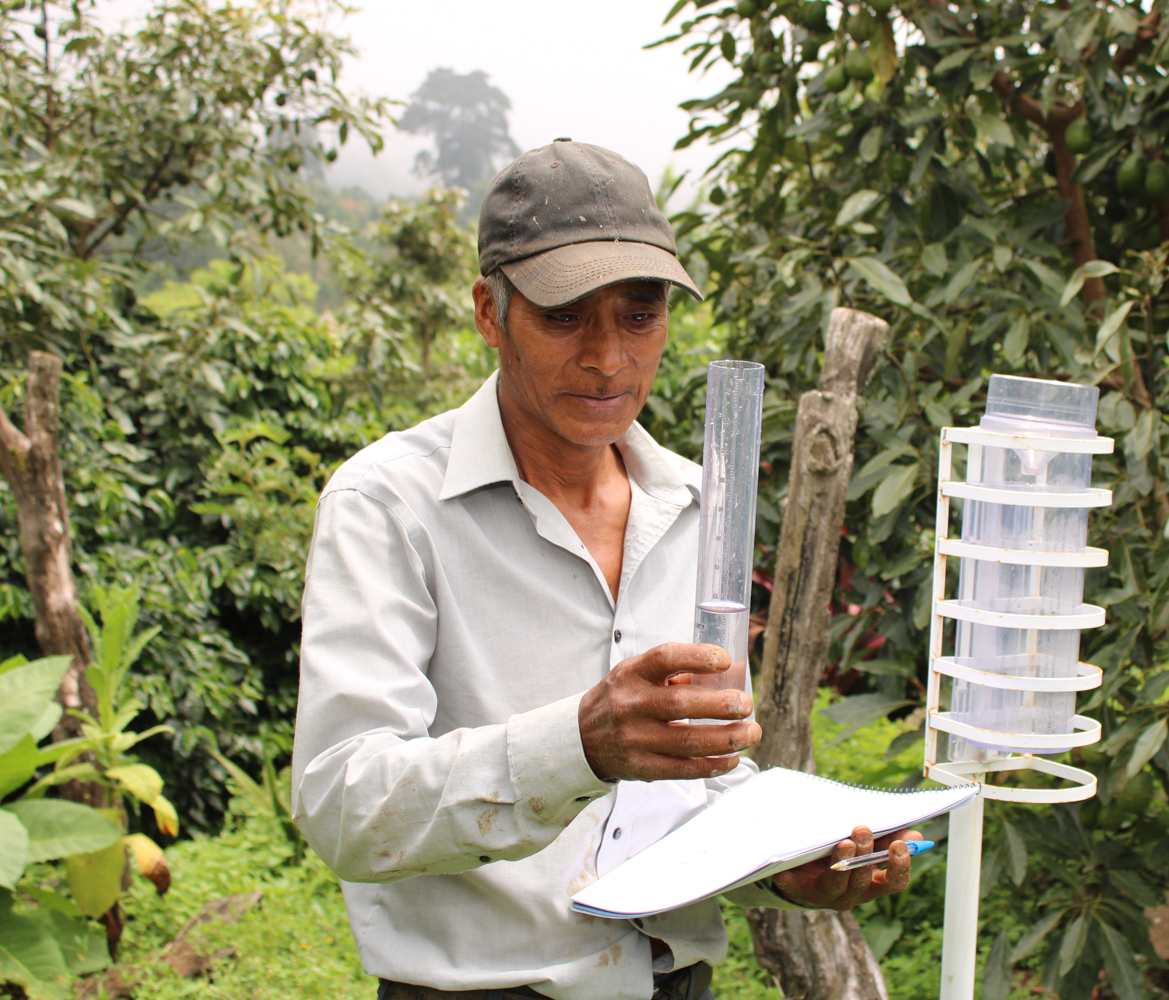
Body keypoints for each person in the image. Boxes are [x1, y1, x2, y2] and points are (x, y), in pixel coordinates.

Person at [291, 139, 919, 1000]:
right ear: (488, 311)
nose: (609, 358)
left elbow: (697, 776)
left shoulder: (699, 507)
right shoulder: (390, 505)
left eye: (639, 314)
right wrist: (577, 745)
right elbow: (344, 805)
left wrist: (783, 868)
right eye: (563, 316)